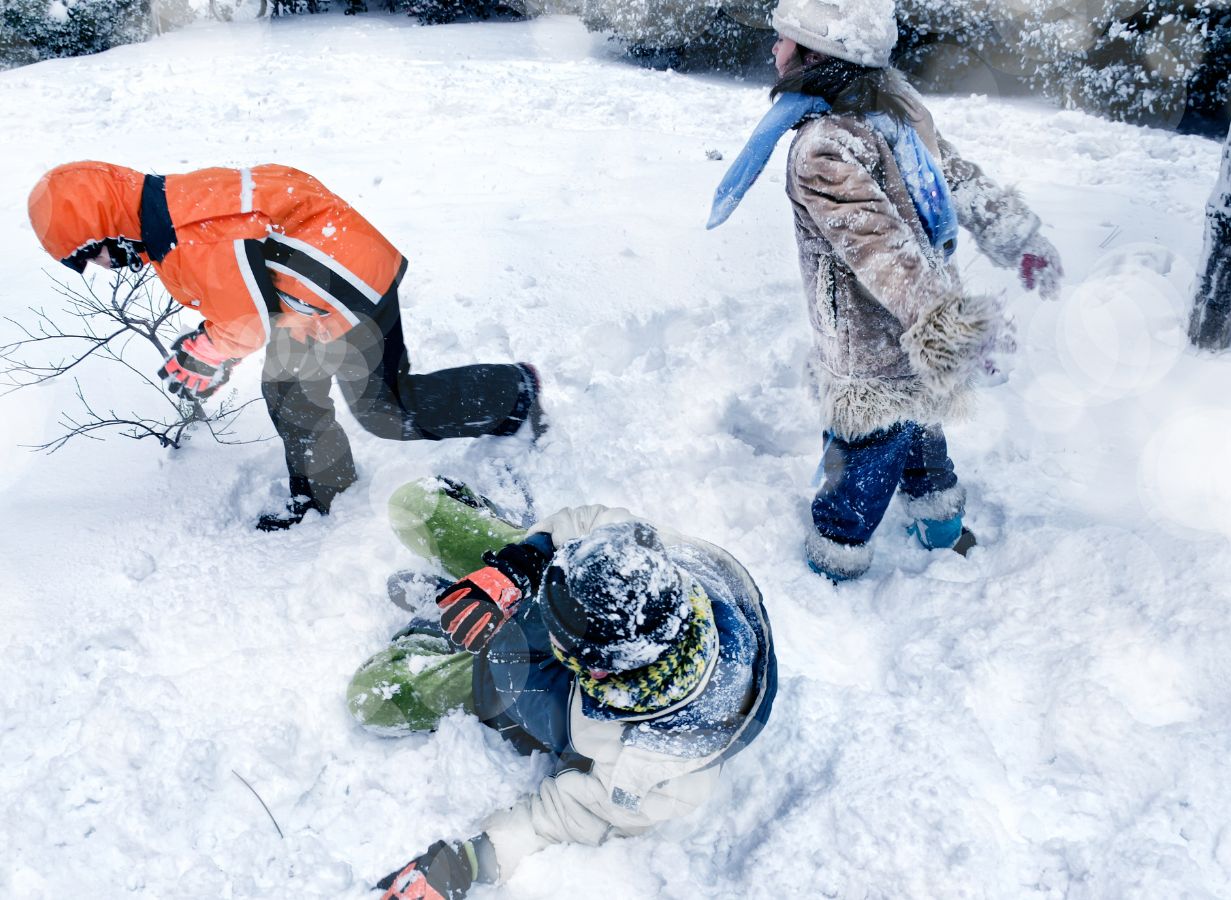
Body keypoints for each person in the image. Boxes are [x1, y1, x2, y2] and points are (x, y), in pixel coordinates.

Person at [707, 0, 1064, 581]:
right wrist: (949, 321)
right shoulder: (884, 111)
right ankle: (932, 531)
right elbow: (908, 222)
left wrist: (1004, 252)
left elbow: (886, 245)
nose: (774, 48)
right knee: (915, 432)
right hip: (911, 320)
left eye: (785, 39)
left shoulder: (829, 144)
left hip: (875, 342)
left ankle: (836, 556)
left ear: (816, 54)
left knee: (864, 460)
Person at [27, 162, 544, 531]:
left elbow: (247, 322)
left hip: (346, 291)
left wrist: (210, 349)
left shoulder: (188, 235)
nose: (99, 266)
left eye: (90, 254)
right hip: (307, 297)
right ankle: (326, 491)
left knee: (387, 409)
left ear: (105, 225)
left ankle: (513, 393)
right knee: (287, 390)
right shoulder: (173, 205)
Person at [352, 479, 777, 899]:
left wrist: (463, 864)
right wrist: (516, 568)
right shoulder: (651, 566)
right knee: (415, 506)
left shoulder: (659, 768)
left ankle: (431, 631)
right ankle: (473, 595)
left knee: (372, 702)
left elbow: (566, 818)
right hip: (538, 597)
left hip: (519, 687)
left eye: (556, 628)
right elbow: (587, 523)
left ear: (595, 669)